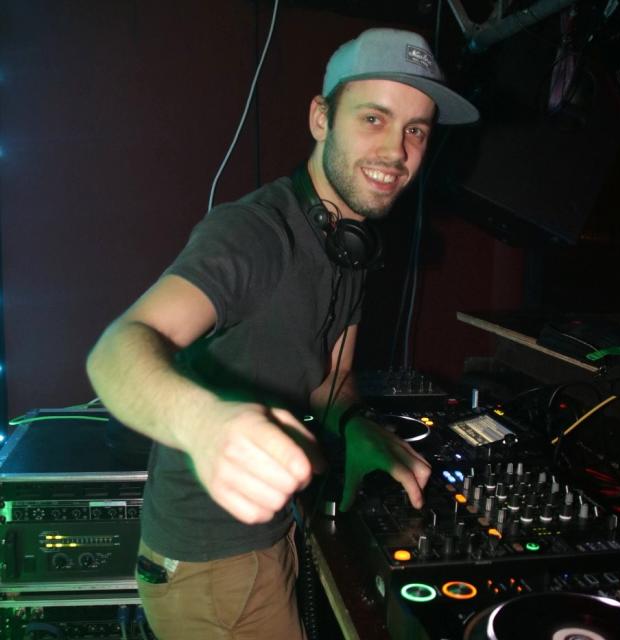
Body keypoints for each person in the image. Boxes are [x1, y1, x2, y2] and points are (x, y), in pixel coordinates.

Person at [87, 27, 478, 640]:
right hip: (212, 565)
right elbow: (115, 349)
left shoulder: (352, 245)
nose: (396, 151)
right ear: (321, 118)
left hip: (272, 536)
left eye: (416, 130)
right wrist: (204, 425)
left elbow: (331, 378)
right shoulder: (253, 234)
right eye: (373, 118)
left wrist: (358, 427)